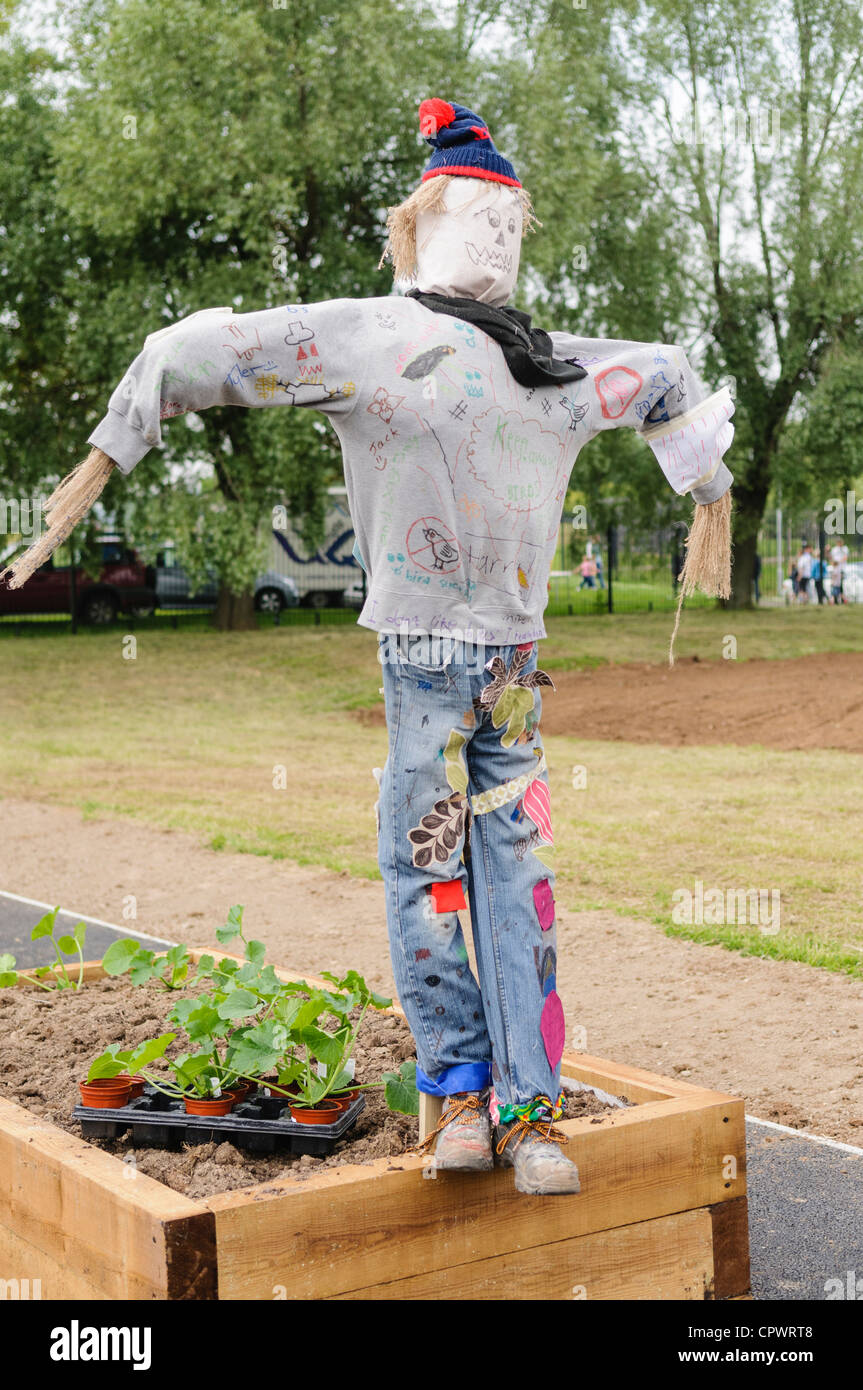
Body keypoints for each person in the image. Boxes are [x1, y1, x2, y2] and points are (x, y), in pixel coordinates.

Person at [1, 99, 736, 1196]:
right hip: (512, 670)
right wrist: (707, 494)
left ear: (419, 226)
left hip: (435, 665)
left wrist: (107, 453)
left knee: (431, 868)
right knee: (514, 871)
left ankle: (460, 1098)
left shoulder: (375, 337)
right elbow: (667, 374)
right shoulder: (554, 363)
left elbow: (197, 348)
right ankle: (522, 1113)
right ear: (505, 230)